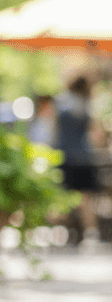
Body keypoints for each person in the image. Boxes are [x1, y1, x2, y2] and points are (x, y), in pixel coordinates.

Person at [54, 75, 98, 244]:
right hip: (84, 156)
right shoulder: (87, 104)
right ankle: (91, 234)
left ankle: (59, 233)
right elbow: (94, 133)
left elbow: (54, 128)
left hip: (65, 154)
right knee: (86, 198)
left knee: (61, 195)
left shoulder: (61, 101)